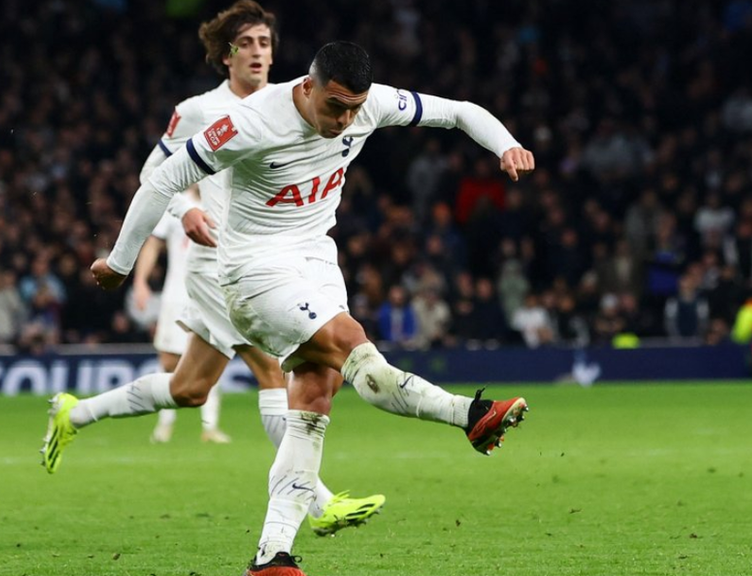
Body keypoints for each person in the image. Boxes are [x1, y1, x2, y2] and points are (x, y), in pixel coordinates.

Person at [79, 41, 532, 576]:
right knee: (353, 346)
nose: (345, 119)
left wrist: (506, 145)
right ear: (307, 86)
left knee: (314, 400)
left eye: (354, 109)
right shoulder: (251, 121)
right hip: (253, 273)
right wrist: (122, 261)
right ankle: (470, 415)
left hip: (317, 263)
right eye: (335, 105)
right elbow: (164, 177)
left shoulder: (370, 104)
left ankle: (272, 556)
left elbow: (458, 113)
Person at [40, 1, 384, 538]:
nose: (257, 52)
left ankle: (74, 413)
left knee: (190, 388)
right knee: (280, 370)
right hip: (220, 263)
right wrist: (187, 210)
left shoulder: (296, 106)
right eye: (244, 43)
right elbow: (155, 172)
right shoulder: (200, 110)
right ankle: (319, 503)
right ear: (226, 55)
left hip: (273, 260)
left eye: (265, 43)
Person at [132, 204, 231, 444]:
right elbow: (154, 243)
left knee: (213, 356)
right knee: (168, 362)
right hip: (177, 295)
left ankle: (209, 426)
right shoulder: (177, 202)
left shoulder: (223, 197)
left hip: (212, 292)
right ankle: (164, 424)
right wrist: (140, 281)